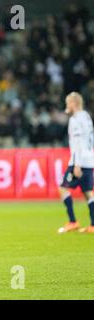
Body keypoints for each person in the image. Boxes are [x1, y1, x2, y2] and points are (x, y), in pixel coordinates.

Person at [58, 92, 94, 234]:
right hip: (89, 160)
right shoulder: (86, 117)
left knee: (63, 188)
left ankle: (73, 221)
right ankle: (93, 225)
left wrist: (77, 164)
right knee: (88, 193)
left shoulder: (75, 120)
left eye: (68, 102)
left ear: (74, 103)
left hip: (78, 162)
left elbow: (78, 142)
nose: (67, 105)